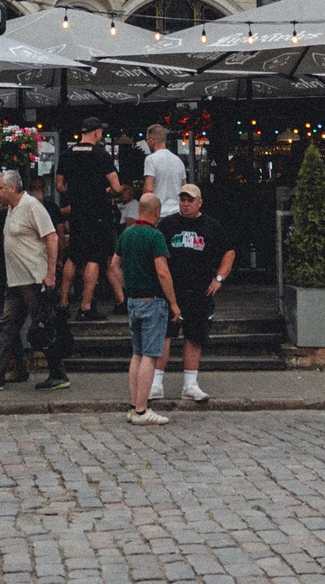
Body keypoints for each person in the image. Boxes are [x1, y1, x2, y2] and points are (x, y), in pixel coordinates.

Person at [0, 169, 66, 392]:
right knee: (6, 326)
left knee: (41, 326)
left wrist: (51, 273)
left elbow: (52, 237)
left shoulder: (31, 206)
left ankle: (58, 373)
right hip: (15, 280)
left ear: (12, 188)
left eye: (0, 188)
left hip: (33, 278)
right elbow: (7, 242)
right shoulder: (10, 210)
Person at [109, 193, 180, 424]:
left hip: (133, 300)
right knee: (150, 354)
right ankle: (142, 409)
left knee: (137, 353)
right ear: (157, 211)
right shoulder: (155, 236)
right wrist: (173, 303)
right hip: (153, 300)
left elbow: (114, 265)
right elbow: (163, 271)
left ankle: (133, 405)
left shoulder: (127, 234)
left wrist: (126, 286)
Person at [163, 182, 233, 404]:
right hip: (172, 290)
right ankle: (155, 383)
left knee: (194, 337)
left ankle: (190, 385)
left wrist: (219, 278)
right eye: (182, 200)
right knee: (164, 336)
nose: (185, 204)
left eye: (189, 200)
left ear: (199, 202)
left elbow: (229, 252)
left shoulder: (211, 226)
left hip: (199, 289)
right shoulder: (168, 224)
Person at [57, 118, 118, 320]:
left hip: (77, 213)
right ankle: (86, 307)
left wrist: (75, 193)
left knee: (74, 256)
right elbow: (117, 187)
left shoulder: (67, 154)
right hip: (98, 213)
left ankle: (63, 303)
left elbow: (59, 185)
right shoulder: (102, 155)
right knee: (94, 258)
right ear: (96, 132)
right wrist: (106, 191)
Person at [141, 123, 186, 222]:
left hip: (159, 213)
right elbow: (184, 188)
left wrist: (144, 210)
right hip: (177, 213)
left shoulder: (151, 159)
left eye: (147, 140)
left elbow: (149, 189)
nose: (147, 143)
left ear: (152, 140)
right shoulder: (178, 161)